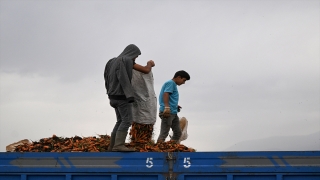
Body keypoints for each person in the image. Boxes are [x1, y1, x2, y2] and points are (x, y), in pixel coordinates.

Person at [104, 44, 155, 152]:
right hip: (121, 97)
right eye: (136, 56)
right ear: (131, 53)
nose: (135, 58)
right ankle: (118, 145)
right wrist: (149, 64)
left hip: (112, 97)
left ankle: (112, 146)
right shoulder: (125, 61)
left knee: (120, 121)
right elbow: (146, 70)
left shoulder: (112, 62)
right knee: (127, 121)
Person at [157, 70, 190, 143]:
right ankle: (158, 149)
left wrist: (175, 105)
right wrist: (167, 107)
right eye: (183, 80)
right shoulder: (170, 83)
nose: (183, 83)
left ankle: (171, 146)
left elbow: (170, 97)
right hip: (167, 112)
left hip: (173, 112)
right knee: (164, 132)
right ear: (178, 77)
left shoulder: (173, 84)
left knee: (178, 132)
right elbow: (166, 94)